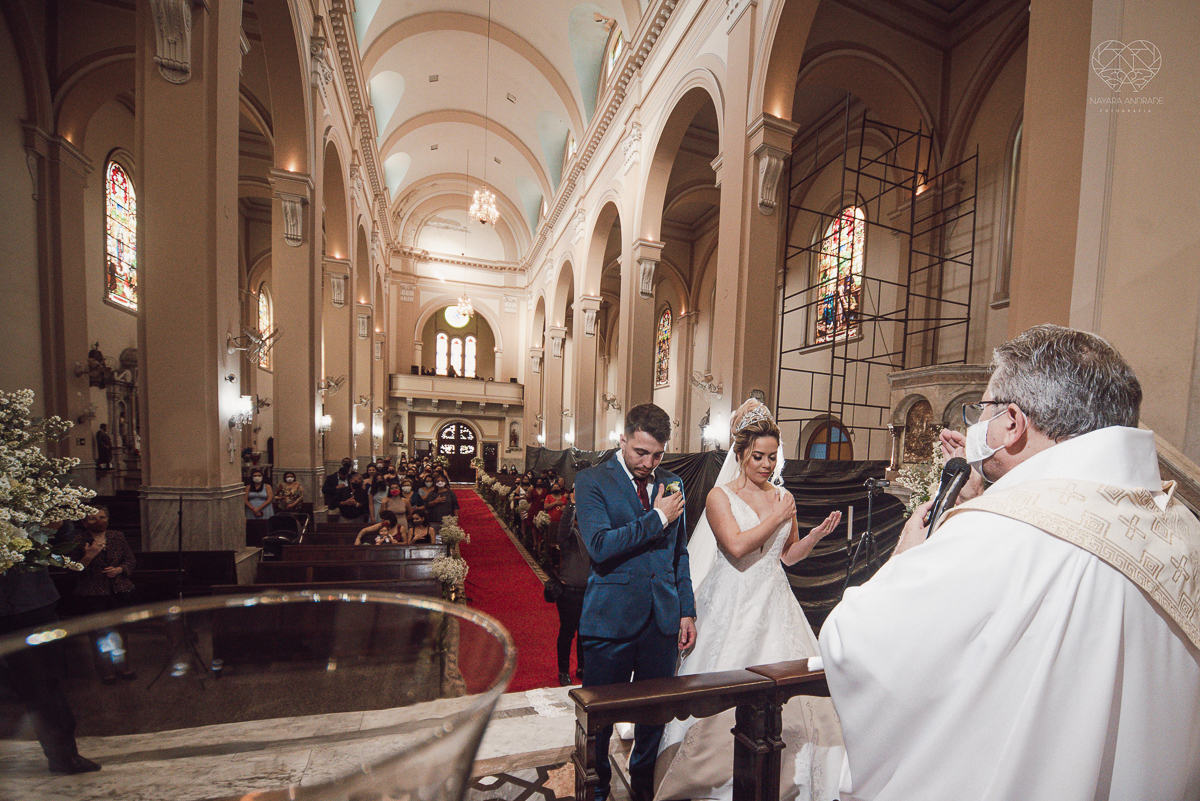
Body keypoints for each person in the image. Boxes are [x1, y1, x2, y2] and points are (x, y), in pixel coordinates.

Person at [819, 325, 1200, 800]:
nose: (979, 426)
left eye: (984, 410)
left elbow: (855, 642)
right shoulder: (1182, 525)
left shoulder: (1000, 531)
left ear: (1014, 423)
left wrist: (906, 556)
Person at [654, 400, 844, 801]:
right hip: (732, 601)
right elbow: (737, 548)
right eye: (758, 456)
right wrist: (777, 516)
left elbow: (787, 555)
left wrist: (813, 537)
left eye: (772, 457)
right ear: (739, 455)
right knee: (725, 686)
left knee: (793, 698)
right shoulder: (719, 497)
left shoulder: (783, 496)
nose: (766, 465)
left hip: (775, 601)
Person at [574, 403, 694, 801]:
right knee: (599, 721)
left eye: (658, 454)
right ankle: (597, 790)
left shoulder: (673, 482)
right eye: (641, 452)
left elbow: (680, 554)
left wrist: (686, 609)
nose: (649, 462)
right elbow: (600, 546)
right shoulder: (592, 480)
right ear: (622, 439)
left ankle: (643, 788)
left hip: (661, 619)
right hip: (610, 619)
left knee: (653, 717)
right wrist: (656, 519)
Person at [0, 521, 101, 775]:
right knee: (36, 687)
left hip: (36, 602)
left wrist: (57, 524)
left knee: (50, 682)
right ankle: (62, 756)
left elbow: (61, 550)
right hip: (13, 608)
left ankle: (64, 756)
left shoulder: (29, 490)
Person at [555, 470, 590, 686]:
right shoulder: (569, 536)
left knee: (585, 634)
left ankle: (583, 667)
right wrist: (572, 505)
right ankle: (562, 671)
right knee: (568, 632)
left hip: (589, 593)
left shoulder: (594, 538)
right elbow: (563, 528)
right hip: (569, 593)